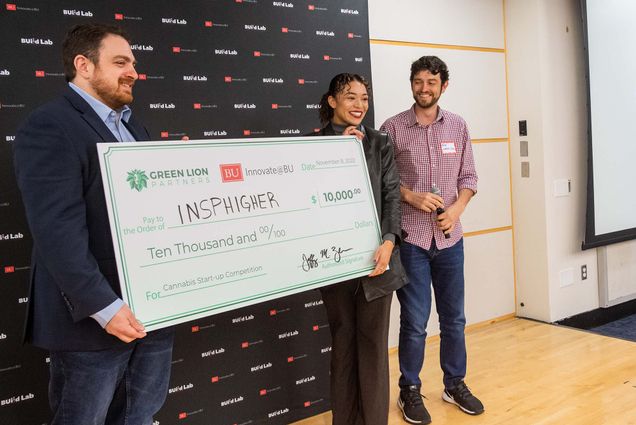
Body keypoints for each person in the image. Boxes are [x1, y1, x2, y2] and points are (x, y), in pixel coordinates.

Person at [13, 24, 174, 425]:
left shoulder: (134, 127)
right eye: (120, 62)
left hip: (152, 312)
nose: (133, 71)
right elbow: (56, 231)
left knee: (139, 415)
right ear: (83, 65)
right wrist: (104, 307)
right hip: (94, 322)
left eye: (134, 63)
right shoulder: (50, 124)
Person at [380, 56, 483, 424]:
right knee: (415, 321)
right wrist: (413, 197)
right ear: (411, 84)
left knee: (454, 319)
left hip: (450, 239)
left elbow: (469, 177)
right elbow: (384, 182)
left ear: (444, 86)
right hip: (412, 240)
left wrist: (456, 210)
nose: (425, 88)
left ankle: (454, 383)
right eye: (419, 82)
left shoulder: (458, 126)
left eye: (432, 82)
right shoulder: (392, 127)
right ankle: (409, 390)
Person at [312, 73, 408, 425]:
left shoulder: (380, 142)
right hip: (334, 265)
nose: (359, 105)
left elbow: (391, 196)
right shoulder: (312, 145)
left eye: (364, 98)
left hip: (377, 263)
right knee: (343, 346)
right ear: (332, 101)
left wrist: (388, 242)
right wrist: (339, 154)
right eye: (350, 97)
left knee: (372, 348)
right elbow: (310, 201)